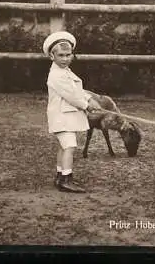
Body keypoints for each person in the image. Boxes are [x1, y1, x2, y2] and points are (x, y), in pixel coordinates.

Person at [43, 31, 102, 193]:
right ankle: (66, 180)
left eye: (68, 55)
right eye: (61, 55)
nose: (65, 59)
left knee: (63, 146)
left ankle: (60, 175)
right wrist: (87, 105)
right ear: (51, 56)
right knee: (69, 145)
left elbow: (76, 90)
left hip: (66, 116)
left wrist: (89, 99)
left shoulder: (65, 71)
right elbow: (71, 96)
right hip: (61, 116)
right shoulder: (56, 75)